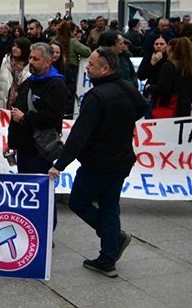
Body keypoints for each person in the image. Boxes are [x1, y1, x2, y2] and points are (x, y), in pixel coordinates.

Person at [49, 47, 148, 278]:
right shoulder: (127, 86)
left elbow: (79, 136)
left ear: (105, 69)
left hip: (99, 164)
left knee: (79, 203)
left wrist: (59, 165)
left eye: (91, 65)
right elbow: (144, 107)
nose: (87, 68)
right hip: (121, 161)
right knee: (110, 208)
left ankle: (114, 241)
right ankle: (108, 258)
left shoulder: (96, 96)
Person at [8, 42, 68, 226]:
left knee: (42, 194)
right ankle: (29, 228)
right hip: (24, 148)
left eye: (36, 59)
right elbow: (17, 111)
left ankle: (47, 230)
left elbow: (52, 117)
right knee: (26, 193)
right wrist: (12, 141)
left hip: (40, 151)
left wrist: (25, 118)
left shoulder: (56, 85)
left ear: (48, 62)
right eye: (30, 58)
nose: (31, 62)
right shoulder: (29, 82)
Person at [144, 38, 192, 118]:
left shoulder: (169, 65)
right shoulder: (188, 66)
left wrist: (149, 88)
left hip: (169, 107)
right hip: (184, 106)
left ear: (170, 48)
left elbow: (163, 87)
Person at [0, 37, 31, 109]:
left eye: (18, 47)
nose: (14, 49)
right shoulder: (4, 62)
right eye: (14, 46)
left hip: (21, 107)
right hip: (2, 105)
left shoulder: (30, 66)